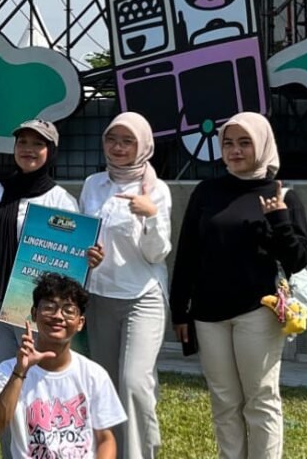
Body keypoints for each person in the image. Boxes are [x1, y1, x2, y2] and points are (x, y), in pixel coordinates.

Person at [171, 112, 307, 459]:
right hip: (208, 314)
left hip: (257, 312)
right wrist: (180, 311)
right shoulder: (207, 192)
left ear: (262, 144)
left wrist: (279, 219)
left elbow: (298, 260)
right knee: (224, 401)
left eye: (244, 143)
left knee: (260, 399)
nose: (235, 151)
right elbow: (187, 253)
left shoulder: (283, 194)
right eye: (228, 143)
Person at [79, 111, 171, 459]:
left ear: (143, 145)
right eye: (112, 139)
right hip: (100, 296)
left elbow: (157, 253)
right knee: (106, 386)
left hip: (142, 296)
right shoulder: (93, 185)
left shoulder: (156, 190)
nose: (118, 148)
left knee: (134, 383)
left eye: (127, 141)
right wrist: (87, 254)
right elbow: (84, 235)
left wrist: (150, 215)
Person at [0, 119, 78, 388]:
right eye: (22, 142)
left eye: (38, 144)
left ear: (51, 151)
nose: (28, 149)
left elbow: (69, 260)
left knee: (38, 384)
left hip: (36, 310)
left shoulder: (61, 201)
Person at [0, 273, 126, 459]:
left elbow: (106, 439)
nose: (58, 316)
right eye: (49, 308)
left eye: (68, 310)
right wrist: (19, 372)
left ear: (80, 323)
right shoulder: (8, 370)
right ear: (34, 313)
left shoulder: (94, 375)